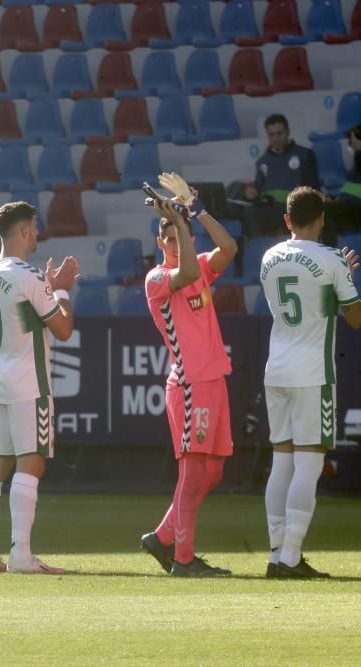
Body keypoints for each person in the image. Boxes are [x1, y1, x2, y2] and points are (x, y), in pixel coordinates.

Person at [259, 186, 361, 578]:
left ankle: (274, 553)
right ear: (323, 219)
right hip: (312, 372)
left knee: (281, 460)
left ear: (287, 220)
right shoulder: (332, 259)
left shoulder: (268, 257)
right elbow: (354, 318)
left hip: (277, 369)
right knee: (310, 461)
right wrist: (345, 277)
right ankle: (291, 557)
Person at [140, 173, 238, 577]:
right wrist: (178, 221)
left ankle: (162, 536)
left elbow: (229, 248)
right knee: (193, 470)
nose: (172, 239)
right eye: (165, 234)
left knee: (211, 471)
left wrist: (196, 211)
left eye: (176, 232)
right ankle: (183, 558)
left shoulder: (198, 264)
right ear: (159, 244)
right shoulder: (158, 278)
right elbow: (183, 277)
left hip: (214, 380)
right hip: (189, 383)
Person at [0, 203, 78, 575]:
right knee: (30, 463)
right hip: (28, 380)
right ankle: (21, 556)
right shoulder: (27, 275)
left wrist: (46, 287)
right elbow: (63, 329)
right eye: (33, 227)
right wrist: (61, 290)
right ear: (21, 231)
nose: (37, 233)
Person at [243, 114, 319, 238]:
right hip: (268, 209)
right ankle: (257, 250)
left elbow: (313, 188)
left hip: (294, 208)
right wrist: (252, 193)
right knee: (247, 212)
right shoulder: (262, 161)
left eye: (279, 133)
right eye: (271, 135)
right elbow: (259, 188)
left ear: (288, 132)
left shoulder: (305, 155)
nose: (276, 138)